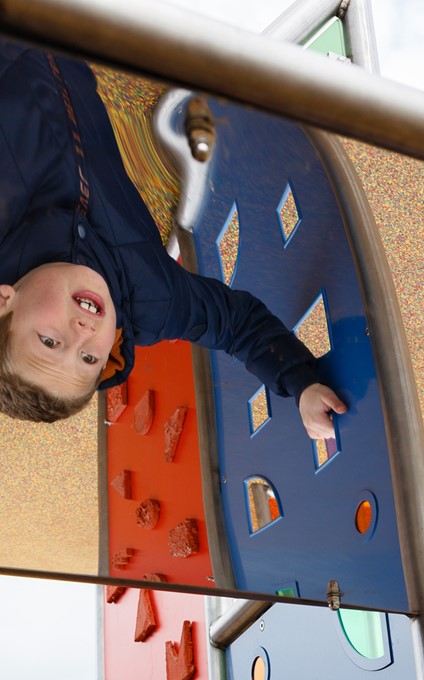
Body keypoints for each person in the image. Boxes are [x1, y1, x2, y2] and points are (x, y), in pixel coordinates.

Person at [0, 38, 346, 432]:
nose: (82, 335)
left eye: (50, 341)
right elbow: (236, 325)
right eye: (88, 359)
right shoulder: (153, 301)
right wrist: (300, 384)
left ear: (5, 300)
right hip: (69, 64)